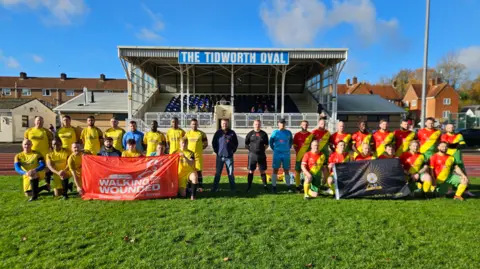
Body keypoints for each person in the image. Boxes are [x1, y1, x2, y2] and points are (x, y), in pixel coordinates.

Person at [212, 119, 238, 192]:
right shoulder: (218, 133)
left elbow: (236, 143)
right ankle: (214, 188)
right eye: (223, 123)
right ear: (221, 124)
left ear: (228, 124)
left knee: (230, 174)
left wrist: (232, 151)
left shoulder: (232, 133)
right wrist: (217, 151)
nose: (224, 125)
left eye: (226, 123)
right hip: (219, 157)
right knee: (217, 174)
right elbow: (214, 143)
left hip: (229, 157)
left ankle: (233, 189)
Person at [269, 118, 293, 193]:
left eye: (283, 123)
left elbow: (291, 141)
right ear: (278, 124)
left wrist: (288, 147)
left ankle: (288, 186)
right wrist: (274, 149)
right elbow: (271, 142)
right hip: (277, 154)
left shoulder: (288, 132)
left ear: (285, 124)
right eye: (280, 123)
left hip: (286, 154)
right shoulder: (275, 132)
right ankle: (274, 186)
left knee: (286, 170)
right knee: (275, 169)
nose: (282, 124)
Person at [245, 119, 269, 192]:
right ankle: (249, 186)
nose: (257, 125)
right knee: (251, 171)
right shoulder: (250, 134)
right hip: (252, 155)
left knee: (262, 171)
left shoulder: (264, 134)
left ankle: (265, 186)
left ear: (260, 125)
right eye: (256, 124)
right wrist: (251, 150)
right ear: (253, 125)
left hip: (261, 155)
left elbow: (267, 144)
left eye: (258, 124)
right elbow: (246, 144)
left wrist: (261, 150)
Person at [185, 118, 208, 191]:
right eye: (192, 124)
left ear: (197, 124)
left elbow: (206, 144)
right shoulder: (187, 134)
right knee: (189, 170)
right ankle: (189, 186)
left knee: (198, 171)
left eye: (195, 124)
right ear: (190, 125)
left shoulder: (201, 133)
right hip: (189, 156)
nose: (194, 125)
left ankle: (200, 186)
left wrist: (200, 149)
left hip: (198, 156)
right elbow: (183, 143)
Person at [293, 120, 314, 192]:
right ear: (301, 125)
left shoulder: (311, 135)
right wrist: (299, 152)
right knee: (297, 171)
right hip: (299, 156)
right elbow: (295, 146)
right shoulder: (296, 135)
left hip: (308, 157)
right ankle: (297, 186)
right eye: (303, 125)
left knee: (307, 171)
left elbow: (313, 146)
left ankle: (305, 184)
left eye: (306, 125)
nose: (305, 126)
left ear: (308, 126)